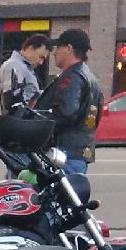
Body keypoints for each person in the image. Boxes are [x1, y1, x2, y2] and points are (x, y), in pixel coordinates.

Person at [36, 28, 104, 177]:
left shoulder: (72, 77)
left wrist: (38, 124)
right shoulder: (91, 78)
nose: (54, 53)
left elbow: (66, 113)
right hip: (80, 151)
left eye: (58, 47)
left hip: (66, 153)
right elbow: (96, 116)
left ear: (68, 48)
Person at [0, 33, 50, 116]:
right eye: (41, 57)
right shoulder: (14, 65)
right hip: (14, 121)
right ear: (30, 48)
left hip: (18, 120)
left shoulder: (25, 69)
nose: (41, 62)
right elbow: (11, 102)